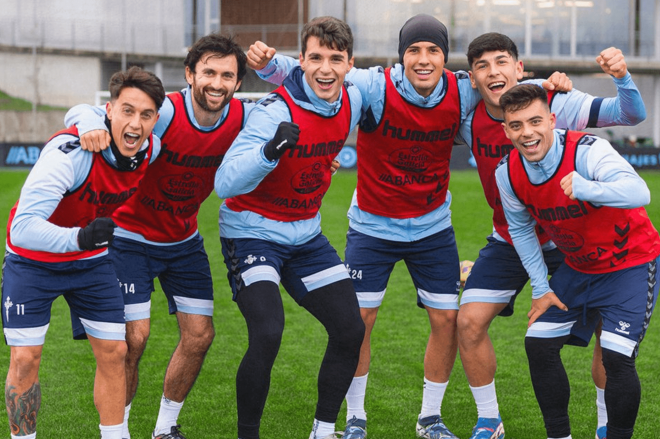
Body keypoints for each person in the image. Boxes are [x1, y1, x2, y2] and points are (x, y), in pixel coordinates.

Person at [245, 15, 569, 439]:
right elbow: (324, 71)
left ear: (445, 58)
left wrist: (549, 84)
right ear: (401, 58)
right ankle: (355, 418)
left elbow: (506, 86)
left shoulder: (461, 90)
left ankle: (429, 418)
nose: (423, 59)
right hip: (372, 227)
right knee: (358, 321)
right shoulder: (376, 84)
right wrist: (271, 66)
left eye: (433, 50)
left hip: (433, 228)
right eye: (414, 50)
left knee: (446, 320)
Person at [455, 34, 647, 439]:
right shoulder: (468, 117)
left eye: (502, 61)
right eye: (483, 66)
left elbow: (630, 115)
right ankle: (490, 421)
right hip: (512, 241)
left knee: (609, 346)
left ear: (520, 68)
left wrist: (623, 76)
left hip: (576, 245)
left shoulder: (558, 100)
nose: (494, 72)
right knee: (472, 323)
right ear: (472, 78)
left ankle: (604, 425)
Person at [64, 34, 252, 439]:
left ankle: (165, 428)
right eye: (208, 72)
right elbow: (90, 110)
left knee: (200, 335)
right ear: (190, 74)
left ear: (238, 83)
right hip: (129, 237)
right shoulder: (164, 111)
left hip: (183, 241)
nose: (216, 83)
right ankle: (120, 429)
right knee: (134, 338)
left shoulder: (241, 117)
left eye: (227, 75)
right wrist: (89, 122)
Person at [214, 16, 365, 439]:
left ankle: (322, 430)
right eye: (315, 57)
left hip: (305, 235)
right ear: (300, 61)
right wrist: (270, 150)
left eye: (336, 59)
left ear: (350, 64)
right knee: (267, 330)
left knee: (350, 329)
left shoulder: (353, 100)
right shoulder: (274, 112)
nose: (325, 68)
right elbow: (223, 183)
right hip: (251, 233)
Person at [2, 66, 164, 439]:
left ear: (156, 118)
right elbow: (22, 228)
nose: (136, 124)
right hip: (32, 260)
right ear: (108, 111)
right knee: (25, 359)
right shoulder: (69, 153)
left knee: (114, 351)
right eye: (127, 110)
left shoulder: (150, 148)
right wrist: (79, 238)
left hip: (89, 261)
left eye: (146, 114)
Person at [494, 83, 659, 439]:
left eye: (535, 121)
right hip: (579, 269)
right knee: (538, 344)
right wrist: (540, 288)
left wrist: (588, 188)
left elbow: (639, 192)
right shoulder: (507, 172)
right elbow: (521, 231)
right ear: (506, 130)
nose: (528, 133)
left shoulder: (589, 150)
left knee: (616, 357)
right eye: (517, 125)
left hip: (629, 263)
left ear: (552, 120)